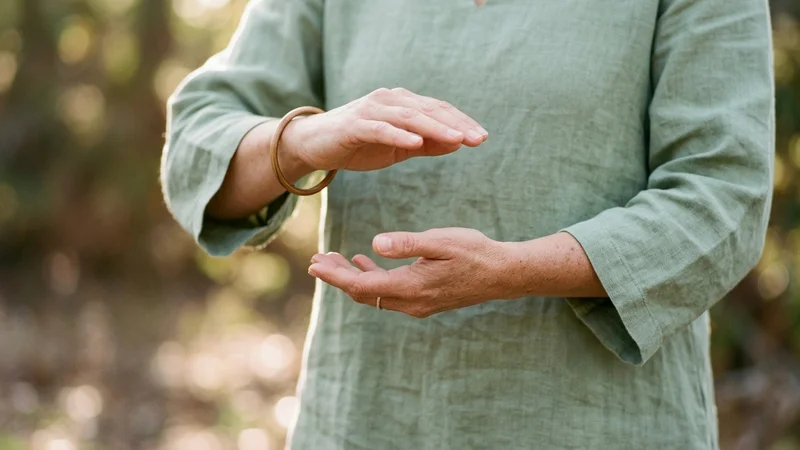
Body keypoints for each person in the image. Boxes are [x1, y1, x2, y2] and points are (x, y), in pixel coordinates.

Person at [160, 0, 775, 448]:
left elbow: (725, 193)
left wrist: (518, 271)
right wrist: (304, 139)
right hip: (361, 423)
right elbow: (196, 141)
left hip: (602, 426)